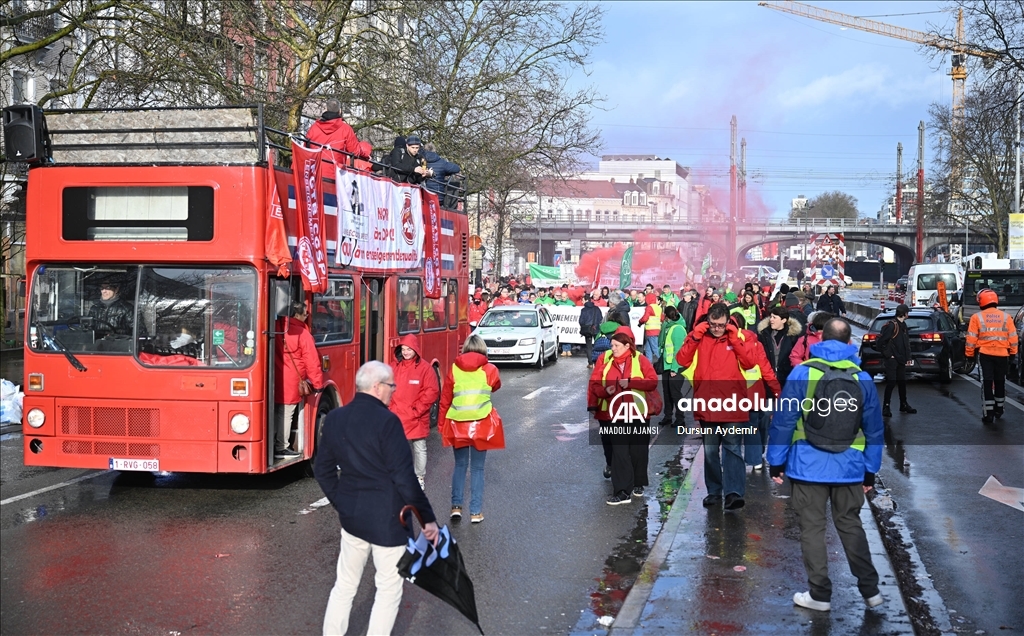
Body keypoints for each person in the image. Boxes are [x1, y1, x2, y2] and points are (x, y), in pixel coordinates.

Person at [768, 318, 885, 613]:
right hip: (849, 467)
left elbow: (783, 422)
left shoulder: (802, 373)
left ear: (820, 339)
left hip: (807, 466)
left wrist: (776, 462)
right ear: (849, 343)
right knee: (850, 525)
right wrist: (870, 469)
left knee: (812, 529)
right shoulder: (862, 379)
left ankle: (819, 595)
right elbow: (874, 430)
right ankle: (870, 591)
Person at [315, 361, 439, 636]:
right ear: (377, 387)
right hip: (388, 522)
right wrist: (428, 521)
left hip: (352, 520)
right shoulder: (388, 422)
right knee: (388, 589)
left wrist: (341, 502)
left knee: (345, 585)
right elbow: (405, 479)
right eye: (391, 386)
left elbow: (322, 470)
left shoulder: (335, 418)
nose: (393, 391)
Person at [677, 303, 760, 510]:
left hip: (732, 404)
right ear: (707, 321)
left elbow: (750, 362)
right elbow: (682, 359)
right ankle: (714, 491)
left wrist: (733, 338)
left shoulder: (738, 337)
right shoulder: (699, 337)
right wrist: (695, 336)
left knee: (732, 448)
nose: (716, 328)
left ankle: (733, 492)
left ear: (728, 321)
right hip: (708, 403)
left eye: (721, 325)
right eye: (713, 324)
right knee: (711, 451)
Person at [589, 327, 659, 505]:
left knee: (638, 451)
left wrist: (630, 382)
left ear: (627, 346)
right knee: (619, 453)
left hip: (638, 413)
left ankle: (638, 483)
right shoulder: (606, 361)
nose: (612, 348)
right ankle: (621, 492)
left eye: (616, 345)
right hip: (616, 414)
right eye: (612, 345)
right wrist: (605, 391)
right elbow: (595, 383)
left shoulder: (640, 360)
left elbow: (652, 382)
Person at [438, 335, 502, 523]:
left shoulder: (454, 369)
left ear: (465, 348)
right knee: (477, 468)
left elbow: (445, 398)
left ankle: (456, 507)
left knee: (460, 466)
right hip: (481, 424)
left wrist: (442, 424)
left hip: (458, 423)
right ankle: (475, 512)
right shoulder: (490, 369)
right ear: (483, 349)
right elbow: (495, 386)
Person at [388, 335, 440, 490]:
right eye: (403, 349)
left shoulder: (425, 368)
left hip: (416, 416)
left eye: (408, 349)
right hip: (397, 414)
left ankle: (419, 477)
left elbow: (432, 391)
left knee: (419, 447)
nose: (405, 353)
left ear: (415, 350)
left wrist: (417, 410)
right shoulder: (394, 367)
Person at [274, 303, 324, 459]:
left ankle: (272, 439)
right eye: (305, 314)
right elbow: (312, 361)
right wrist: (317, 385)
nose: (307, 317)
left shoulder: (275, 327)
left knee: (275, 411)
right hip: (292, 379)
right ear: (297, 315)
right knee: (287, 412)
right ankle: (282, 446)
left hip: (275, 376)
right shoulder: (302, 333)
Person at [965, 289, 1019, 424]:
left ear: (981, 301)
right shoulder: (1006, 317)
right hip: (1002, 354)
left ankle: (989, 414)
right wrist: (1012, 354)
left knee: (987, 383)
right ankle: (999, 409)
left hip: (985, 354)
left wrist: (969, 355)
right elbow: (1013, 338)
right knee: (1000, 381)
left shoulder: (976, 317)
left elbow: (971, 339)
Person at [874, 304, 916, 418]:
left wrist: (908, 357)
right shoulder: (892, 325)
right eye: (907, 312)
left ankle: (903, 404)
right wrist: (889, 355)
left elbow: (905, 343)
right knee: (891, 382)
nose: (908, 314)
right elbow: (881, 343)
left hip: (901, 359)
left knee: (902, 382)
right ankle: (886, 407)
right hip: (892, 360)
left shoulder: (903, 325)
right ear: (904, 313)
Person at [756, 306, 803, 386]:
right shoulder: (763, 335)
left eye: (774, 317)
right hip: (767, 378)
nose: (771, 319)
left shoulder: (793, 336)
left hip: (786, 378)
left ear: (783, 320)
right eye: (770, 317)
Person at [657, 305, 688, 428]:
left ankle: (680, 418)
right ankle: (668, 416)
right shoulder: (666, 326)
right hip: (666, 365)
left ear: (666, 315)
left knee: (675, 393)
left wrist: (675, 368)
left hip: (676, 366)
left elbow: (678, 351)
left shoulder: (678, 329)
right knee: (667, 392)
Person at [305, 99, 360, 165]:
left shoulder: (314, 127)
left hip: (315, 170)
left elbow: (305, 148)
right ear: (340, 111)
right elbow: (355, 151)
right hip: (336, 171)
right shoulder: (346, 129)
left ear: (326, 109)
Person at [579, 293, 603, 368]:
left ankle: (590, 363)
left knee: (589, 347)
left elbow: (581, 321)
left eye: (582, 300)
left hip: (587, 330)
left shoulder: (583, 310)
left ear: (586, 300)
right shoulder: (597, 308)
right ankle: (597, 362)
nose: (582, 302)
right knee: (597, 346)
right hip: (596, 329)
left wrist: (584, 326)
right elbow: (601, 319)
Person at [638, 293, 664, 362]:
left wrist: (640, 322)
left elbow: (645, 318)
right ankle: (649, 364)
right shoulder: (658, 308)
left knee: (654, 348)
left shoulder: (649, 307)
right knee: (648, 348)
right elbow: (662, 318)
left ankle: (660, 363)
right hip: (657, 330)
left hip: (650, 330)